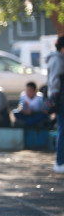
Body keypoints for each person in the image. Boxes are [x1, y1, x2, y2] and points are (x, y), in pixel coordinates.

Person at [46, 35, 64, 173]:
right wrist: (56, 97)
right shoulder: (57, 60)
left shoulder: (57, 59)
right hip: (60, 100)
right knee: (62, 130)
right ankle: (60, 161)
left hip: (59, 99)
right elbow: (54, 82)